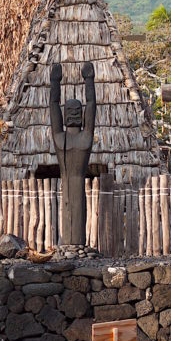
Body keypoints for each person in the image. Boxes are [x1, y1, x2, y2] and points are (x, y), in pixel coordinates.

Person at [49, 61, 97, 246]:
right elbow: (53, 104)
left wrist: (89, 80)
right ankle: (70, 245)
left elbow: (91, 104)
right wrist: (55, 82)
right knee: (69, 213)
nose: (74, 114)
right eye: (70, 110)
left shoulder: (85, 138)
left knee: (78, 214)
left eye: (78, 110)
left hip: (77, 188)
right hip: (67, 188)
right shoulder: (60, 139)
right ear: (64, 114)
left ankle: (75, 245)